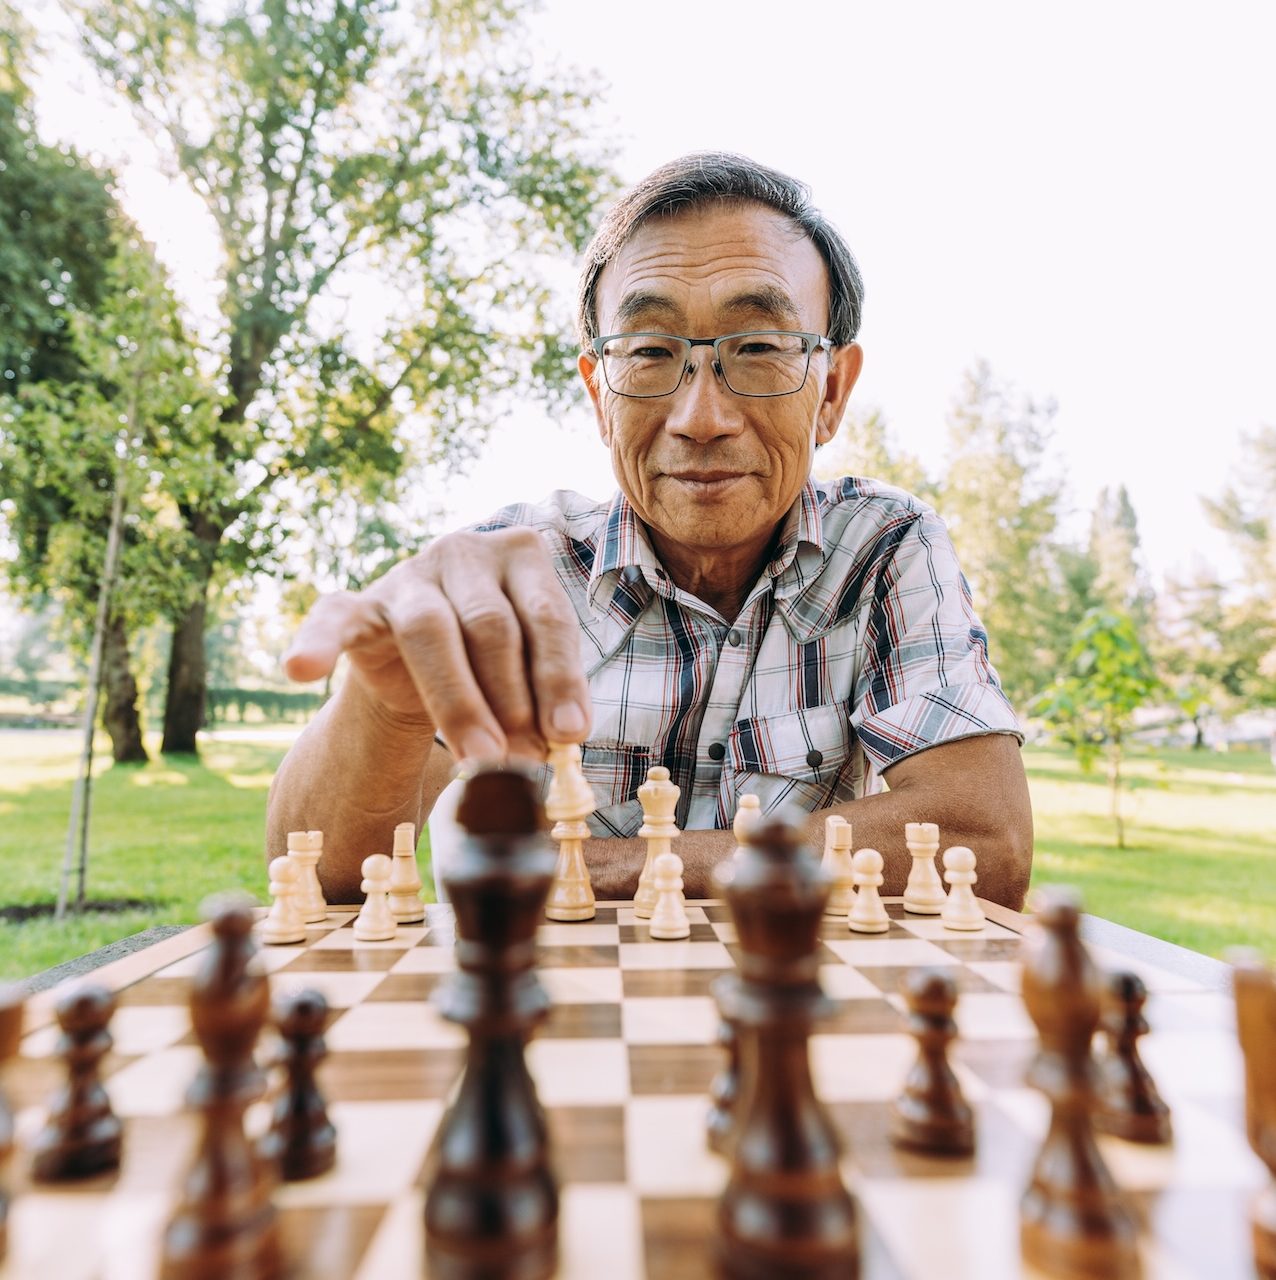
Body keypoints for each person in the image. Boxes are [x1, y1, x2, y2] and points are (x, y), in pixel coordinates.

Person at [268, 152, 1033, 909]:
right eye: (650, 353)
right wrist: (387, 706)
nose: (702, 419)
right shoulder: (506, 578)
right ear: (600, 393)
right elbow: (311, 881)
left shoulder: (886, 550)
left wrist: (598, 868)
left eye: (759, 349)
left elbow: (986, 844)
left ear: (831, 390)